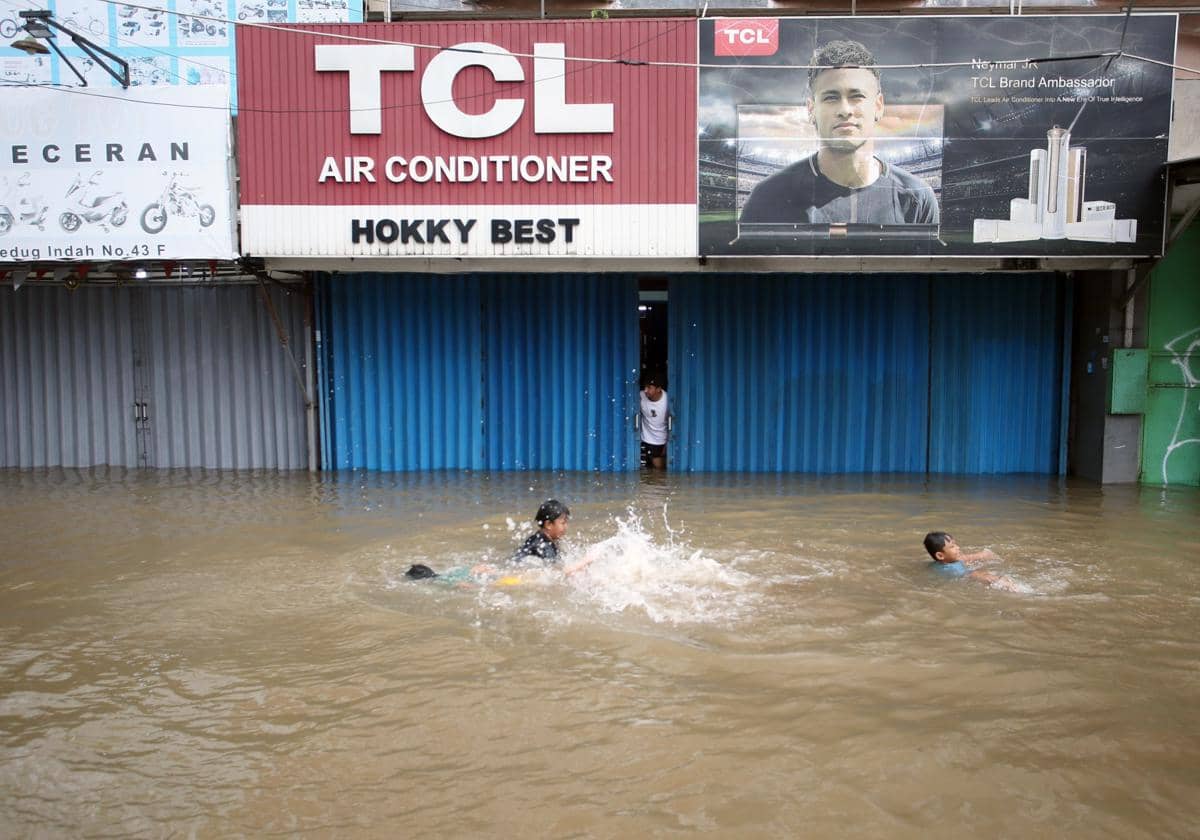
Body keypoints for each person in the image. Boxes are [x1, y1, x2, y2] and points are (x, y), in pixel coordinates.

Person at [739, 39, 939, 227]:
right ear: (811, 109)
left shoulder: (917, 196)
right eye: (831, 97)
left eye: (857, 96)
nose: (845, 109)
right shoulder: (767, 196)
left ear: (878, 106)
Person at [923, 531, 1018, 589]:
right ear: (940, 556)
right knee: (976, 574)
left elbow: (965, 558)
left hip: (968, 573)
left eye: (955, 544)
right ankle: (1008, 585)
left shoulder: (949, 560)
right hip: (967, 577)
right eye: (952, 546)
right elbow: (968, 575)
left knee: (979, 564)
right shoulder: (948, 568)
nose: (958, 547)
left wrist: (985, 555)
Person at [639, 374, 669, 470]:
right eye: (645, 387)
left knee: (658, 471)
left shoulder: (668, 401)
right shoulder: (640, 396)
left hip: (661, 441)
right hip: (644, 440)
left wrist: (667, 444)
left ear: (658, 389)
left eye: (649, 387)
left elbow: (672, 424)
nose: (645, 390)